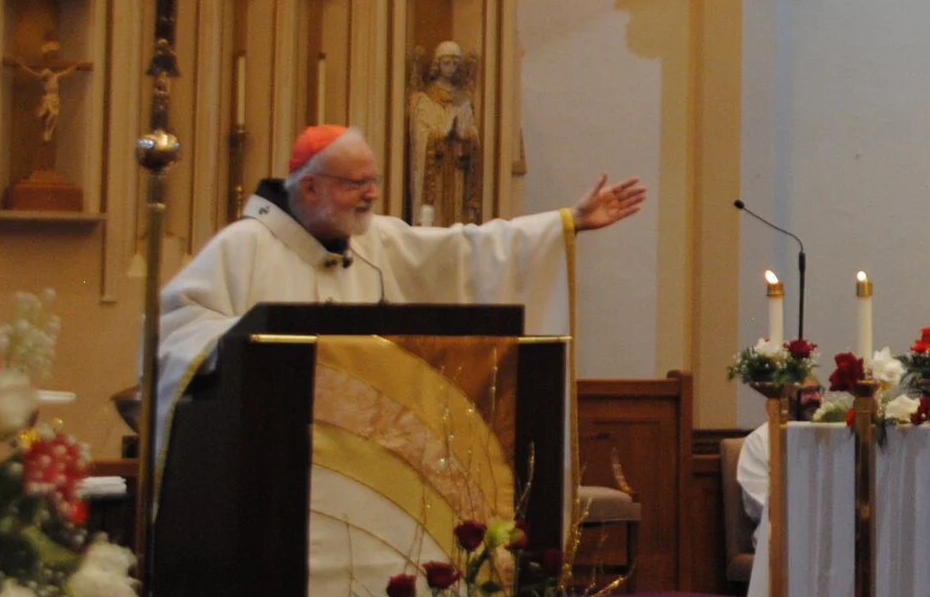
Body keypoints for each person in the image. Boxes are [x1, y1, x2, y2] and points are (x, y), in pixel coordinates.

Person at [152, 123, 646, 442]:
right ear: (310, 187)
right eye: (355, 184)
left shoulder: (378, 241)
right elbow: (178, 329)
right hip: (269, 444)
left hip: (367, 451)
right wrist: (249, 351)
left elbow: (470, 250)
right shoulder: (245, 246)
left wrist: (568, 222)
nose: (370, 195)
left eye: (373, 180)